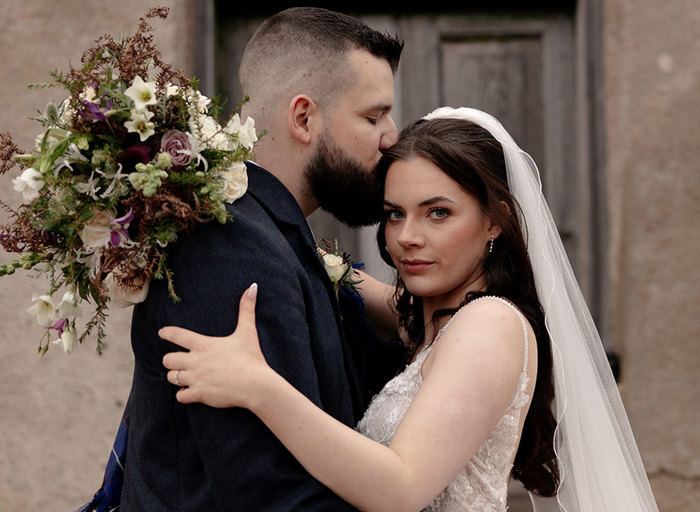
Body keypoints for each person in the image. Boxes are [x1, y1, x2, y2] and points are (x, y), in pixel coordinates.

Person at [160, 108, 660, 511]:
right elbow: (329, 274)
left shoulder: (490, 326)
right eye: (394, 214)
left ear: (495, 222)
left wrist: (258, 386)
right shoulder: (435, 318)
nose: (407, 238)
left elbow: (400, 488)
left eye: (438, 212)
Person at [108, 7, 404, 512]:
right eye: (373, 116)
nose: (392, 135)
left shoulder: (273, 233)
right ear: (304, 117)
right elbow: (270, 495)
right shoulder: (226, 246)